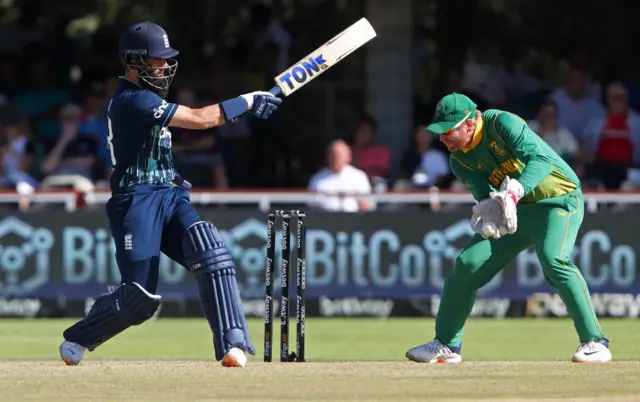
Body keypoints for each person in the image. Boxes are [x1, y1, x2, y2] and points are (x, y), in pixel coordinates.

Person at [59, 21, 282, 368]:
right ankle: (80, 337)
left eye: (166, 59)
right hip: (135, 200)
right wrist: (248, 101)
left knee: (211, 251)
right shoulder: (131, 100)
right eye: (157, 59)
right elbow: (197, 118)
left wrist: (245, 106)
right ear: (134, 62)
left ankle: (233, 344)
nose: (164, 66)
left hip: (170, 193)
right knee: (140, 300)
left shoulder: (150, 96)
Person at [406, 93, 611, 364]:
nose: (442, 138)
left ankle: (596, 342)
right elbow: (485, 195)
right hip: (514, 211)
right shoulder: (459, 161)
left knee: (554, 260)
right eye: (439, 132)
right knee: (467, 264)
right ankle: (446, 345)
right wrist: (490, 208)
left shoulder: (502, 123)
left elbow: (541, 160)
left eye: (448, 131)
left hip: (558, 201)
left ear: (469, 124)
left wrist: (515, 190)